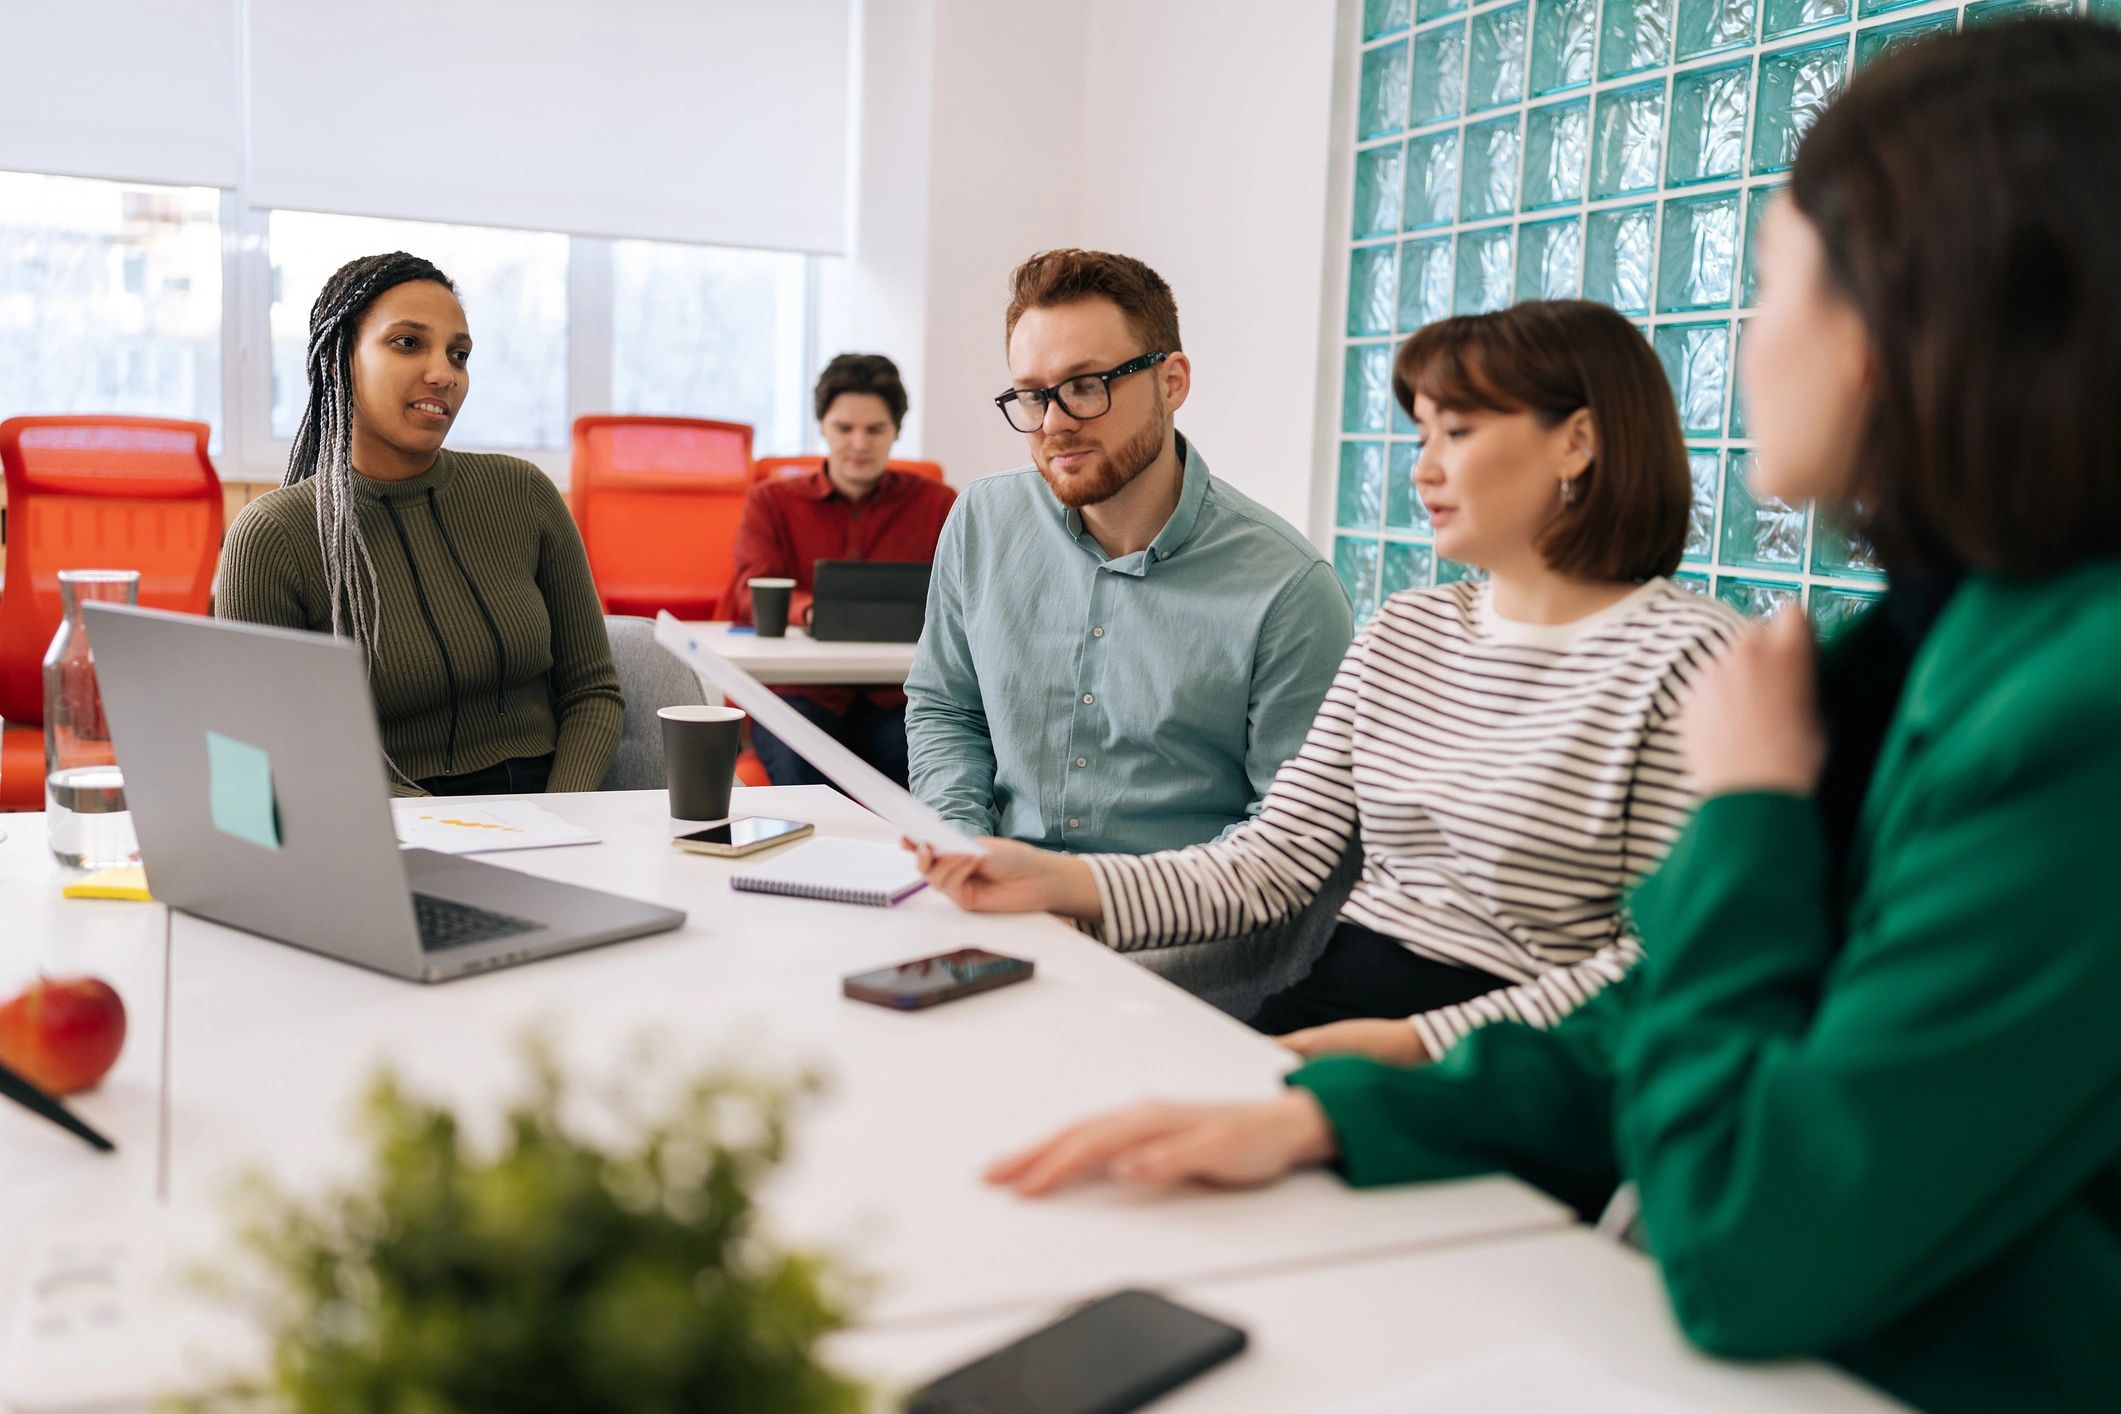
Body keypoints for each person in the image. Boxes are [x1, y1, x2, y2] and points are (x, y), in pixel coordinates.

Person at [968, 21, 2121, 1413]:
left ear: (1910, 313)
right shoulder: (1926, 637)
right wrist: (1333, 1115)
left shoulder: (2055, 706)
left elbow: (1746, 1232)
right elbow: (1649, 1023)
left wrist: (1755, 813)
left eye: (1772, 285)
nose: (1744, 343)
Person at [919, 300, 1742, 1058]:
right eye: (1421, 436)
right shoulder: (1407, 630)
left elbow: (1655, 961)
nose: (1421, 471)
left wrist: (1405, 1047)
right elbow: (1273, 863)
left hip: (1513, 1053)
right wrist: (1050, 879)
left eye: (1454, 433)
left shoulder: (1688, 659)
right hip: (1342, 1002)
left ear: (1576, 441)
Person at [906, 249, 1353, 855]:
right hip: (1000, 914)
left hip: (1172, 939)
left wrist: (1092, 900)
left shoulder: (1290, 590)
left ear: (1172, 383)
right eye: (1033, 395)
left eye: (1086, 387)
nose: (1054, 423)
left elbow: (1290, 839)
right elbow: (946, 709)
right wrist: (965, 849)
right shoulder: (982, 521)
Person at [217, 252, 623, 797]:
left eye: (459, 355)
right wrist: (444, 833)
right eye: (407, 343)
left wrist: (563, 819)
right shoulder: (275, 535)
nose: (443, 374)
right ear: (340, 361)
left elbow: (592, 691)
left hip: (551, 807)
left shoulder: (523, 494)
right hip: (382, 825)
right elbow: (270, 746)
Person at [721, 354, 956, 788]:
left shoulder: (939, 504)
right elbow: (746, 594)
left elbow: (963, 601)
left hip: (900, 699)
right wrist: (814, 613)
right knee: (806, 779)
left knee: (929, 779)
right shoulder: (771, 502)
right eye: (844, 429)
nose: (859, 443)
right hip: (803, 695)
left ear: (896, 432)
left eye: (875, 429)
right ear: (823, 427)